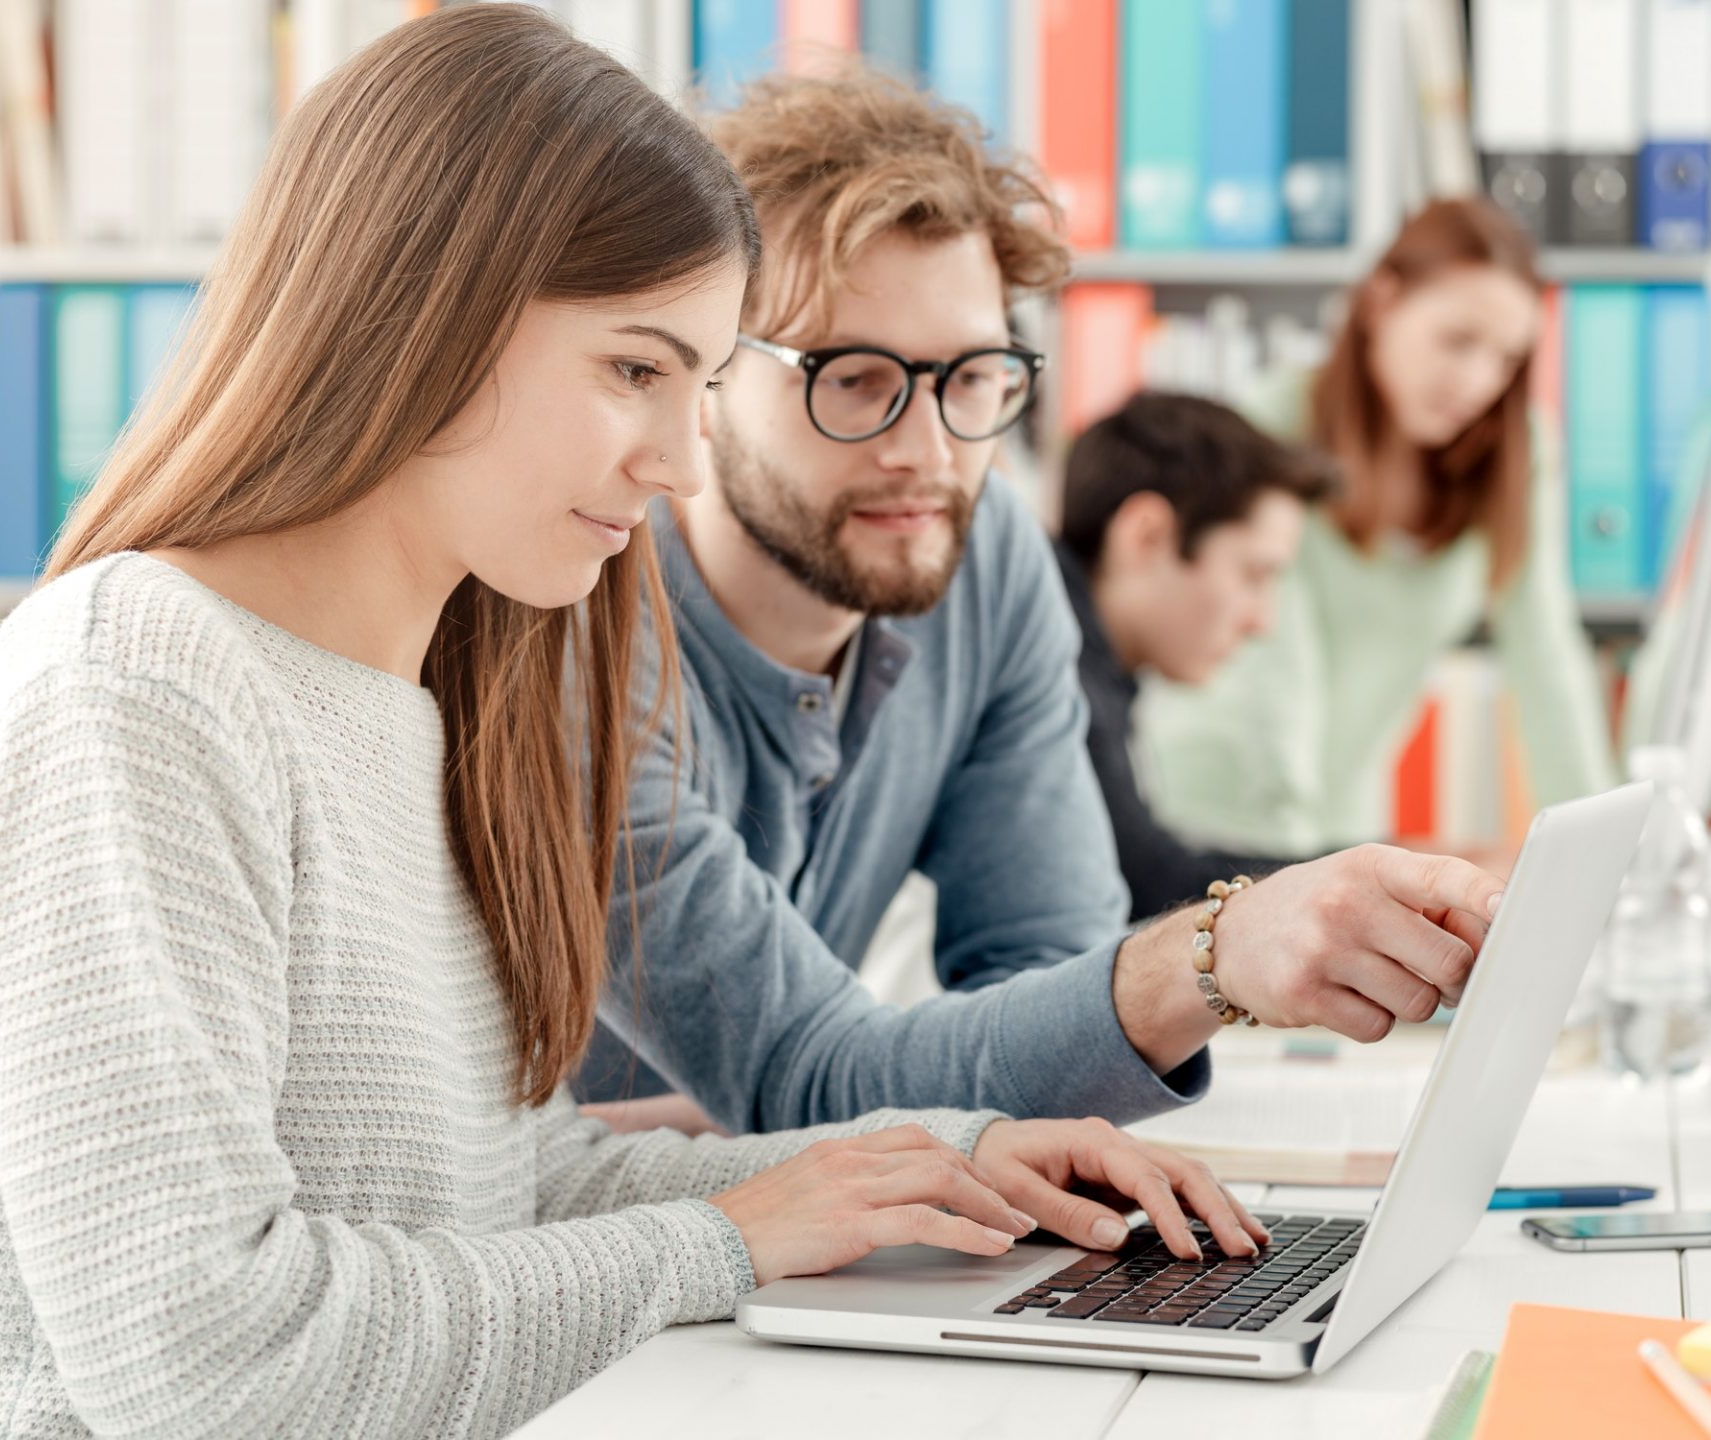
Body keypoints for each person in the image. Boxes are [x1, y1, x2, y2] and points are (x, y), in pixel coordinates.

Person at [0, 14, 1270, 1436]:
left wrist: (950, 1160)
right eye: (636, 372)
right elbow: (203, 1365)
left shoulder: (432, 697)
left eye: (699, 386)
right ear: (423, 317)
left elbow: (520, 1185)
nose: (680, 459)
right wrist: (732, 1240)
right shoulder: (139, 682)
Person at [579, 67, 1506, 1138]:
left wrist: (1030, 1118)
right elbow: (806, 1074)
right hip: (592, 1271)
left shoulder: (981, 552)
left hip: (810, 1236)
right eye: (852, 378)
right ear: (708, 375)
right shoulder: (583, 618)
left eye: (970, 378)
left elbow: (1047, 978)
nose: (925, 455)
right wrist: (1217, 954)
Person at [1138, 198, 1617, 862]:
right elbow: (1274, 672)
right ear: (1381, 303)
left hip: (1340, 825)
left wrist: (1602, 853)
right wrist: (1304, 869)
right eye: (1458, 341)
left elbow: (1547, 653)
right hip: (1221, 813)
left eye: (1505, 359)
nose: (1477, 381)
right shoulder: (1274, 423)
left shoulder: (1518, 456)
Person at [1053, 391, 1336, 919]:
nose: (1262, 621)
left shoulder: (1089, 659)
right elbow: (1141, 877)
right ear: (1148, 534)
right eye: (1253, 574)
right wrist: (1380, 873)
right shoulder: (1048, 668)